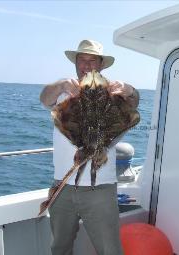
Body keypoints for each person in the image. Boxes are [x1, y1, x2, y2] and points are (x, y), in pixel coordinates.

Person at [40, 39, 139, 255]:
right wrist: (61, 85)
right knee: (59, 247)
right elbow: (44, 97)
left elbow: (134, 103)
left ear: (101, 64)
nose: (86, 65)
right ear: (75, 63)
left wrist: (129, 89)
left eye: (91, 60)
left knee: (110, 249)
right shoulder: (64, 92)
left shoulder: (114, 92)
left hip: (100, 189)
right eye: (82, 60)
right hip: (63, 185)